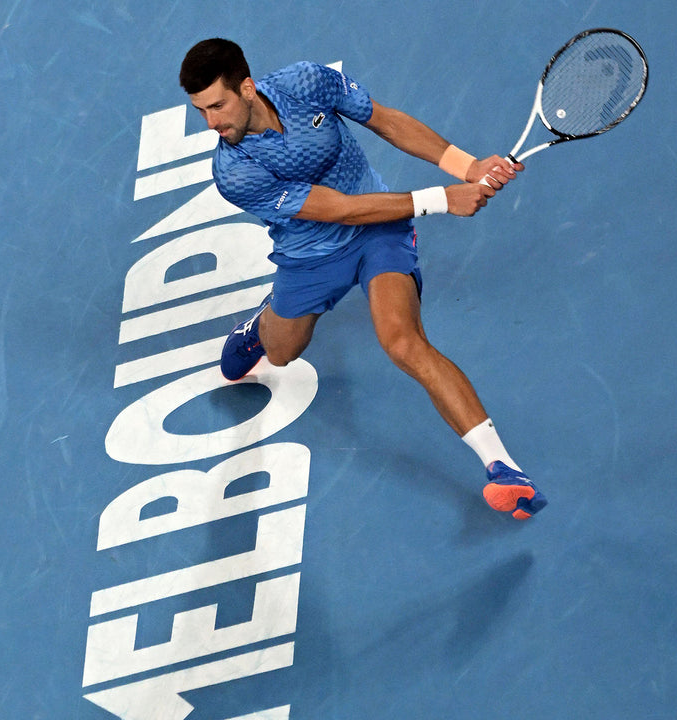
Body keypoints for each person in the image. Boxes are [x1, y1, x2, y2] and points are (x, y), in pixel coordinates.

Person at [179, 38, 546, 520]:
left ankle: (504, 469)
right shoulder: (234, 171)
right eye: (200, 111)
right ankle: (259, 329)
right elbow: (338, 210)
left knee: (402, 341)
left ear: (247, 87)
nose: (211, 123)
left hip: (379, 230)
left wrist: (467, 166)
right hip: (308, 255)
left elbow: (386, 120)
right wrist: (443, 198)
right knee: (284, 352)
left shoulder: (306, 83)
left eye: (217, 105)